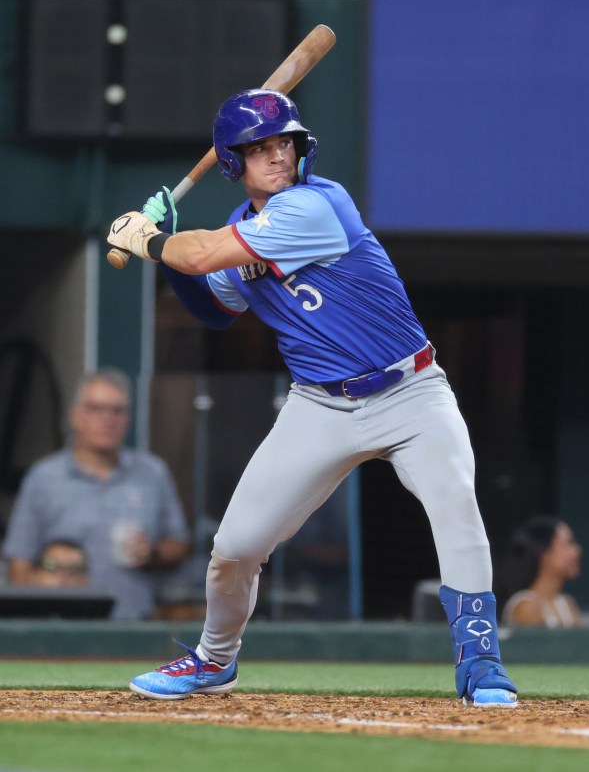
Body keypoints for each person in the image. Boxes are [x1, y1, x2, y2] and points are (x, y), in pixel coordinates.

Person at [107, 89, 518, 706]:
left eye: (284, 143)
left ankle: (483, 665)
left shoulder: (318, 205)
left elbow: (201, 254)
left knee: (456, 502)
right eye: (259, 147)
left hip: (411, 392)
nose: (276, 155)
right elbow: (216, 308)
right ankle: (213, 661)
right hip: (319, 407)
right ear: (233, 161)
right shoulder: (241, 231)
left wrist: (153, 241)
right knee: (235, 548)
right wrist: (165, 248)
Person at [2, 368, 190, 619]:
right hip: (63, 629)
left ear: (128, 419)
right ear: (74, 417)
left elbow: (179, 545)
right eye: (96, 409)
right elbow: (19, 562)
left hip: (133, 624)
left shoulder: (152, 473)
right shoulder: (44, 477)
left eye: (117, 410)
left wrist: (152, 552)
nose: (107, 419)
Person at [499, 516, 582, 628]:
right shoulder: (525, 608)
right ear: (544, 554)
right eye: (567, 544)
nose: (576, 551)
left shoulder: (568, 604)